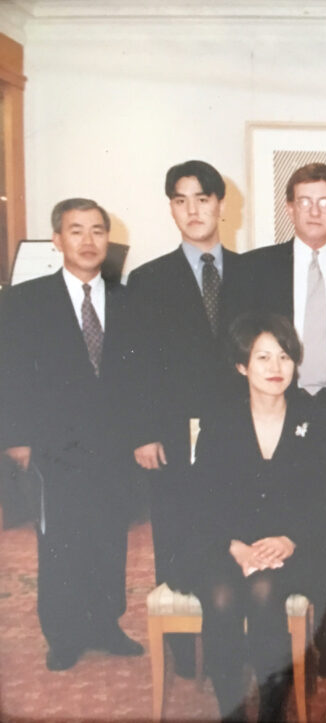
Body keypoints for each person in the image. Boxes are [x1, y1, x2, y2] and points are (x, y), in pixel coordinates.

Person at [239, 161, 326, 673]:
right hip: (281, 400)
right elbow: (241, 343)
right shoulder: (257, 267)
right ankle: (275, 628)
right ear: (290, 207)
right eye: (305, 201)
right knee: (282, 503)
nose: (316, 211)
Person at [0, 198, 142, 670]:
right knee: (60, 541)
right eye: (75, 231)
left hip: (114, 446)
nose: (87, 241)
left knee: (108, 538)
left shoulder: (128, 301)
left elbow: (138, 377)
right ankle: (63, 634)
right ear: (57, 240)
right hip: (53, 445)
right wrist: (16, 437)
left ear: (108, 239)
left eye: (97, 231)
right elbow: (11, 372)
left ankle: (106, 624)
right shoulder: (25, 299)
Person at [125, 160, 244, 675]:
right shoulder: (147, 279)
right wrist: (144, 430)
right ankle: (182, 653)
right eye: (181, 200)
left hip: (241, 427)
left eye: (203, 198)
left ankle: (233, 630)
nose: (193, 210)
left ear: (221, 204)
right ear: (171, 207)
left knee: (235, 523)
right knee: (175, 531)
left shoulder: (251, 271)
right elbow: (135, 362)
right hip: (172, 430)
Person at [187, 313, 326, 721]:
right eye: (263, 358)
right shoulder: (222, 418)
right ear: (242, 366)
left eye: (284, 357)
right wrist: (233, 546)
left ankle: (272, 712)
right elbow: (203, 496)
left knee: (266, 592)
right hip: (227, 542)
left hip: (292, 544)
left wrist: (291, 539)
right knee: (220, 596)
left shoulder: (316, 416)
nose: (275, 368)